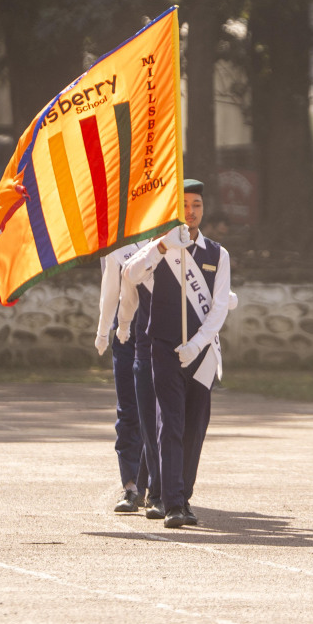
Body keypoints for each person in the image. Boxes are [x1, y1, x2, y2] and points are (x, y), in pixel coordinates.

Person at [121, 180, 233, 528]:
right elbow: (130, 274)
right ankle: (172, 503)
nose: (191, 211)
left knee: (194, 429)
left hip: (202, 352)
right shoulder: (160, 247)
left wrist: (197, 344)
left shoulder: (218, 254)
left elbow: (219, 307)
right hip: (164, 348)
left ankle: (183, 497)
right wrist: (161, 246)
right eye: (184, 205)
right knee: (169, 423)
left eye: (196, 204)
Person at [95, 239, 152, 512]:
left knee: (158, 411)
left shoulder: (168, 235)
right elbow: (111, 288)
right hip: (125, 331)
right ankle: (131, 485)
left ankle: (156, 485)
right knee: (129, 408)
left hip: (160, 325)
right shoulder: (117, 243)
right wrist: (103, 330)